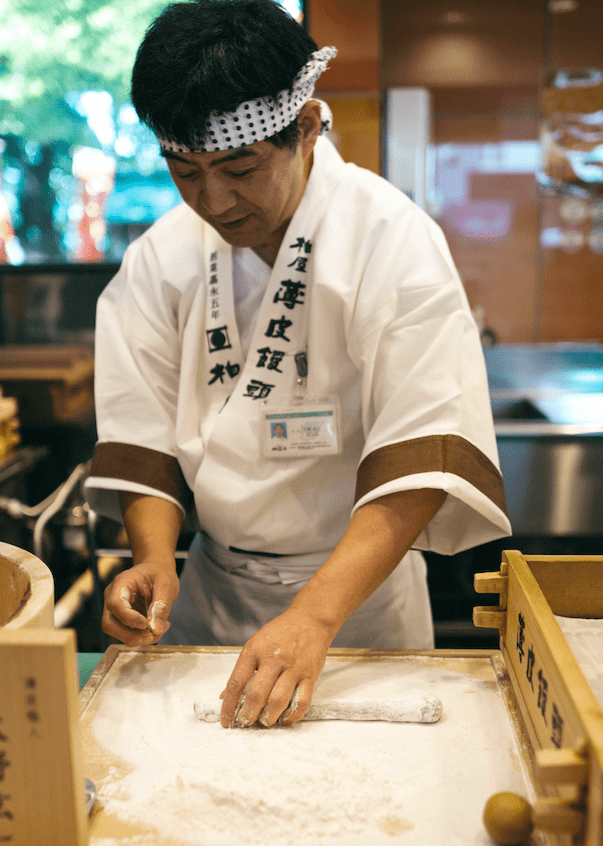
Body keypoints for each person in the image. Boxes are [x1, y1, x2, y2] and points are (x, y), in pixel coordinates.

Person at [84, 0, 511, 729]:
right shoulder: (162, 255)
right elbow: (143, 433)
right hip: (211, 589)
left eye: (238, 168)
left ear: (306, 128)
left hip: (355, 609)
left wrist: (314, 616)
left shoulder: (390, 240)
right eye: (184, 171)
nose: (212, 200)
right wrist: (155, 557)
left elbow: (424, 449)